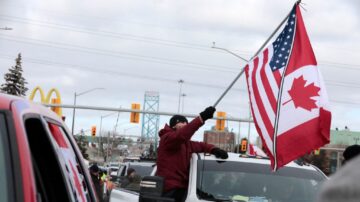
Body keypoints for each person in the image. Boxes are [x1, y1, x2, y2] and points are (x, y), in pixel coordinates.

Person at [156, 106, 229, 202]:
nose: (185, 124)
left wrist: (214, 149)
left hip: (185, 189)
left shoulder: (187, 144)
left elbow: (201, 146)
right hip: (169, 191)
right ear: (174, 125)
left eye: (186, 122)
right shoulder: (167, 139)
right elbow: (183, 134)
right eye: (182, 122)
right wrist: (202, 118)